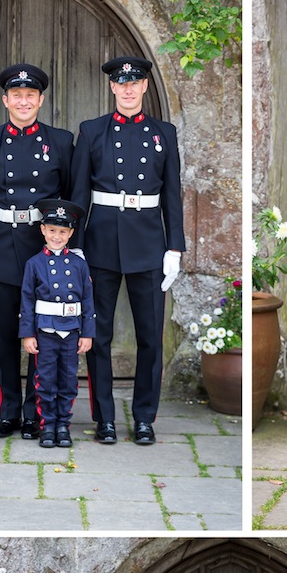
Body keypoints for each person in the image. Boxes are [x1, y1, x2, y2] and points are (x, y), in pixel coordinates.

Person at [71, 55, 185, 445]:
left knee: (150, 336)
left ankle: (144, 419)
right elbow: (79, 195)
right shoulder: (91, 131)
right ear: (113, 87)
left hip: (149, 243)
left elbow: (172, 193)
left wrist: (175, 247)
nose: (129, 88)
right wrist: (77, 246)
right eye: (122, 83)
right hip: (101, 242)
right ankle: (104, 418)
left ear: (145, 87)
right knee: (98, 336)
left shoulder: (163, 132)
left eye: (136, 82)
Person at [0, 62, 74, 440]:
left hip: (43, 250)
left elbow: (69, 197)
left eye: (31, 95)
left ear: (41, 100)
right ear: (5, 100)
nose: (24, 101)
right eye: (17, 95)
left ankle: (36, 413)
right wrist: (0, 228)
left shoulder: (61, 142)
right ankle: (8, 412)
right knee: (3, 338)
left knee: (42, 338)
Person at [19, 199, 95, 448]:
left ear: (71, 233)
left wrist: (88, 333)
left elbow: (88, 300)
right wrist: (28, 334)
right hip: (45, 331)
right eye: (52, 230)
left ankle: (64, 424)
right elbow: (27, 301)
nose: (57, 236)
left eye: (63, 231)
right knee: (46, 379)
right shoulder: (34, 264)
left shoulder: (79, 264)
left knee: (68, 379)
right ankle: (47, 425)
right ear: (42, 230)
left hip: (71, 331)